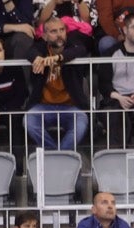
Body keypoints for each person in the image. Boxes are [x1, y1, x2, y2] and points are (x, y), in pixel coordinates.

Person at [22, 15, 89, 152]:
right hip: (43, 106)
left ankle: (59, 156)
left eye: (62, 30)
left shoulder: (73, 44)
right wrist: (37, 59)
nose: (59, 35)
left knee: (81, 125)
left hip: (71, 106)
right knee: (29, 121)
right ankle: (53, 152)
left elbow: (80, 50)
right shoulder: (41, 47)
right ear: (45, 36)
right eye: (53, 31)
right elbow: (31, 51)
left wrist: (58, 58)